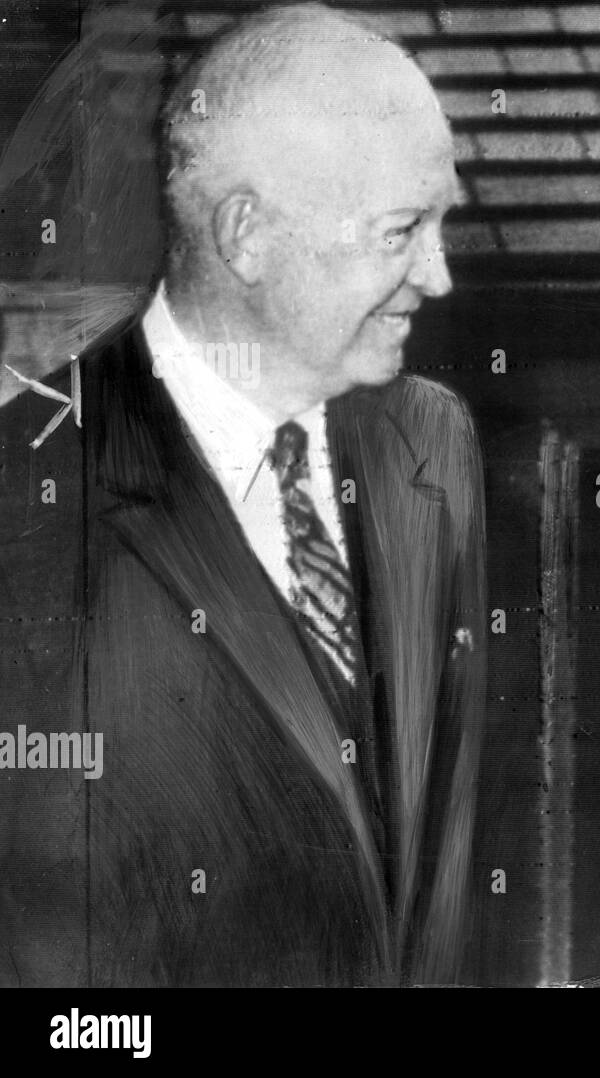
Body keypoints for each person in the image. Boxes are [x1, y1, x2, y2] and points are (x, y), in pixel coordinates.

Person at [0, 3, 486, 986]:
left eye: (441, 224)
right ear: (246, 234)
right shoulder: (30, 492)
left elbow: (451, 859)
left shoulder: (432, 442)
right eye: (402, 232)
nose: (438, 277)